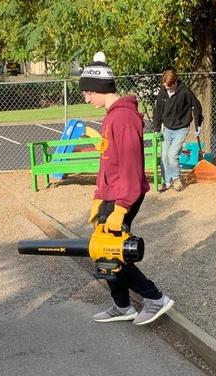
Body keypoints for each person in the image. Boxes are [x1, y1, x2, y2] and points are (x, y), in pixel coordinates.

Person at [79, 52, 174, 325]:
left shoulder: (122, 118)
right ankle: (122, 306)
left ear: (100, 89)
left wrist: (121, 207)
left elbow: (131, 167)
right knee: (103, 252)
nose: (86, 98)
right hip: (112, 194)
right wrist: (99, 197)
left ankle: (155, 298)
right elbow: (111, 162)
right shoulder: (112, 116)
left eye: (88, 92)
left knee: (112, 250)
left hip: (123, 195)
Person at [153, 69, 203, 192]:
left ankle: (176, 179)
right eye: (165, 86)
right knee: (164, 156)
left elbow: (196, 106)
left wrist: (198, 124)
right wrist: (156, 128)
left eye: (169, 86)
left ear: (175, 83)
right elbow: (158, 111)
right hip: (167, 129)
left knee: (172, 155)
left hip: (181, 128)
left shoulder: (185, 92)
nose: (167, 89)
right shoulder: (163, 92)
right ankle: (166, 181)